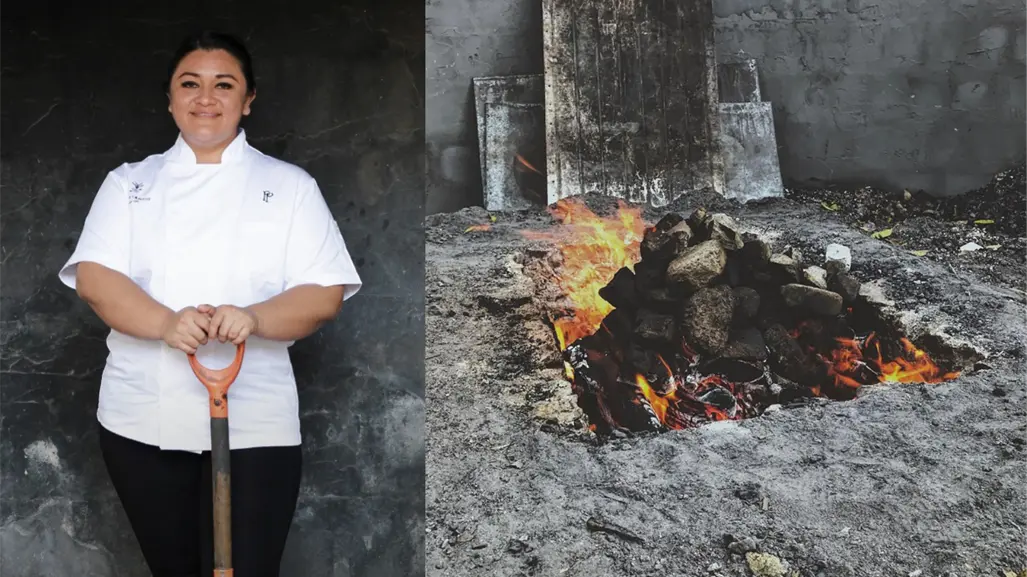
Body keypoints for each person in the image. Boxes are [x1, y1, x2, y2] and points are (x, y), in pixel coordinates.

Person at [57, 30, 362, 577]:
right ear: (170, 98)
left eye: (224, 85)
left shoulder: (289, 186)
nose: (206, 98)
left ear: (247, 100)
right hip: (141, 417)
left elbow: (324, 292)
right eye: (190, 84)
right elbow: (96, 280)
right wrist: (166, 323)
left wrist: (255, 317)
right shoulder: (128, 184)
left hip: (257, 422)